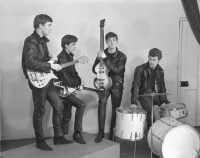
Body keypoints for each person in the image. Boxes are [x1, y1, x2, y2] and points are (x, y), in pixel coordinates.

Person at [21, 14, 73, 151]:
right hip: (38, 81)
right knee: (40, 111)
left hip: (47, 78)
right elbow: (30, 62)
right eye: (49, 25)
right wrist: (51, 66)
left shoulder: (43, 41)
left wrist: (51, 58)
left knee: (59, 105)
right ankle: (40, 140)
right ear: (40, 25)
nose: (51, 28)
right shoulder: (30, 41)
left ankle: (58, 137)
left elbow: (42, 59)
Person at [92, 32, 127, 143]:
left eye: (113, 40)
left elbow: (116, 70)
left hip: (117, 85)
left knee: (115, 109)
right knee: (102, 103)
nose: (111, 42)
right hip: (103, 83)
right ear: (106, 42)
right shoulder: (102, 53)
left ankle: (112, 133)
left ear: (117, 41)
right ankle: (100, 132)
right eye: (109, 40)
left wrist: (105, 58)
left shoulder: (122, 56)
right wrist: (98, 58)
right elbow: (94, 69)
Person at [56, 35, 87, 144]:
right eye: (73, 44)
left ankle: (63, 136)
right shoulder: (62, 58)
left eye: (75, 44)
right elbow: (66, 80)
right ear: (66, 45)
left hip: (67, 90)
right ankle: (77, 133)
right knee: (81, 104)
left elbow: (74, 73)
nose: (75, 46)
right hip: (61, 91)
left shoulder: (69, 56)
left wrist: (79, 80)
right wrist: (78, 83)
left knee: (67, 115)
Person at [130, 48, 170, 132]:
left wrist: (163, 101)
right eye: (150, 59)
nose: (151, 61)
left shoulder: (160, 70)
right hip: (143, 95)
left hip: (155, 95)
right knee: (150, 112)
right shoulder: (140, 69)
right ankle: (151, 133)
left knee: (167, 109)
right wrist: (134, 102)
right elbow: (136, 86)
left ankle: (163, 133)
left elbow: (162, 86)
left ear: (159, 60)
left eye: (154, 60)